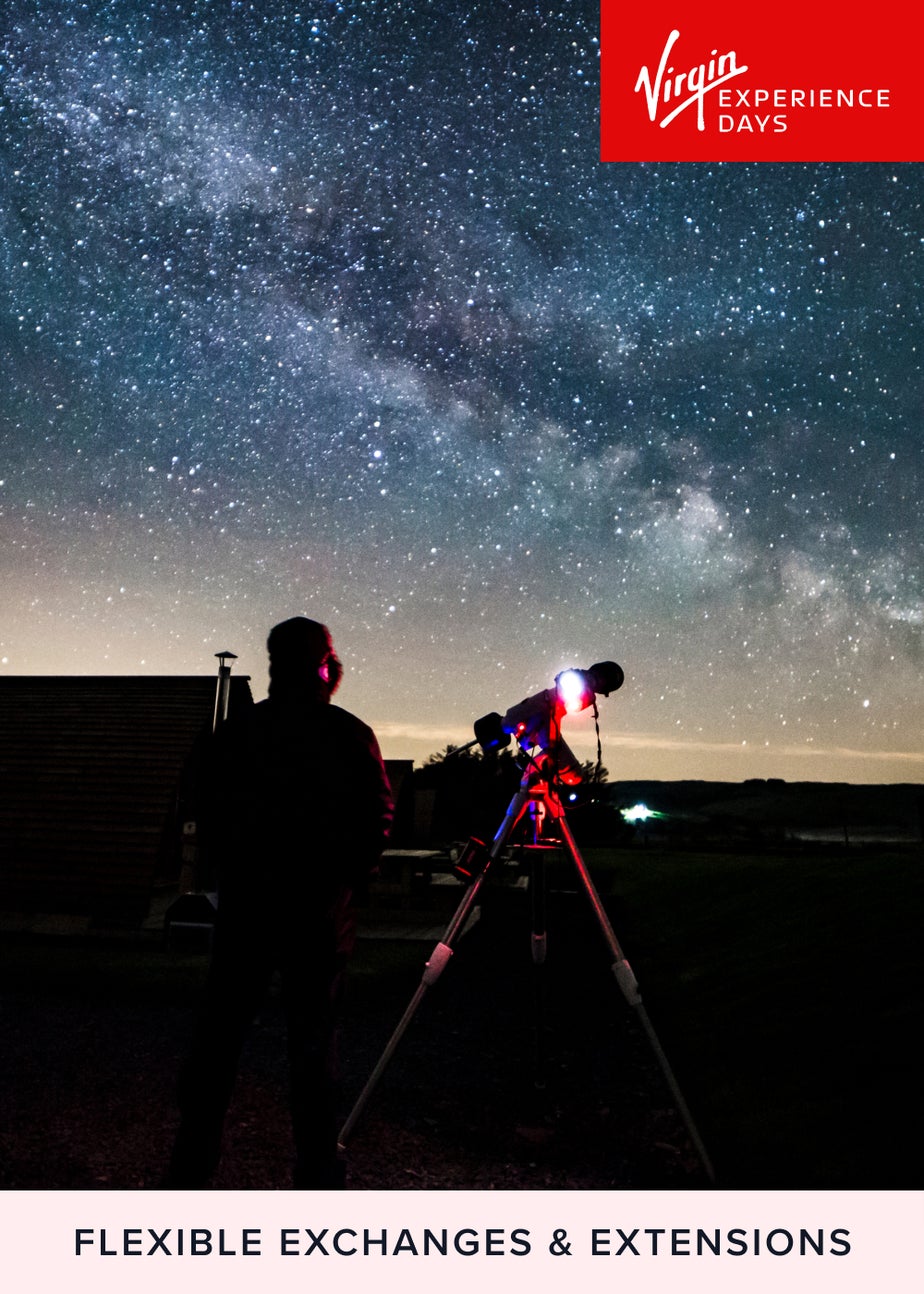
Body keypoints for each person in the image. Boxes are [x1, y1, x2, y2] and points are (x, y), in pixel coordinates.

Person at [165, 616, 393, 1188]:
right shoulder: (348, 733)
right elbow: (377, 818)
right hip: (318, 914)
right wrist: (347, 880)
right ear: (324, 665)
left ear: (273, 664)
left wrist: (239, 869)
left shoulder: (236, 732)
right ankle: (316, 1172)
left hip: (246, 907)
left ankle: (191, 1167)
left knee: (219, 1039)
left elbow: (206, 807)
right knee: (313, 1048)